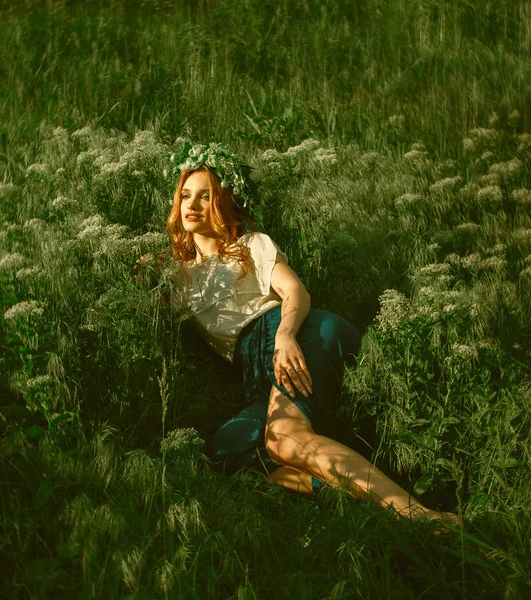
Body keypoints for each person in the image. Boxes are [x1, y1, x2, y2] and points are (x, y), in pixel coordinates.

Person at [163, 140, 462, 531]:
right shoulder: (176, 278)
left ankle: (420, 517)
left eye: (206, 196)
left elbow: (295, 292)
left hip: (300, 333)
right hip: (255, 372)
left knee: (284, 438)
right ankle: (358, 507)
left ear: (224, 203)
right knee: (228, 450)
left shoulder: (251, 245)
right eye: (186, 195)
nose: (193, 205)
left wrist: (285, 336)